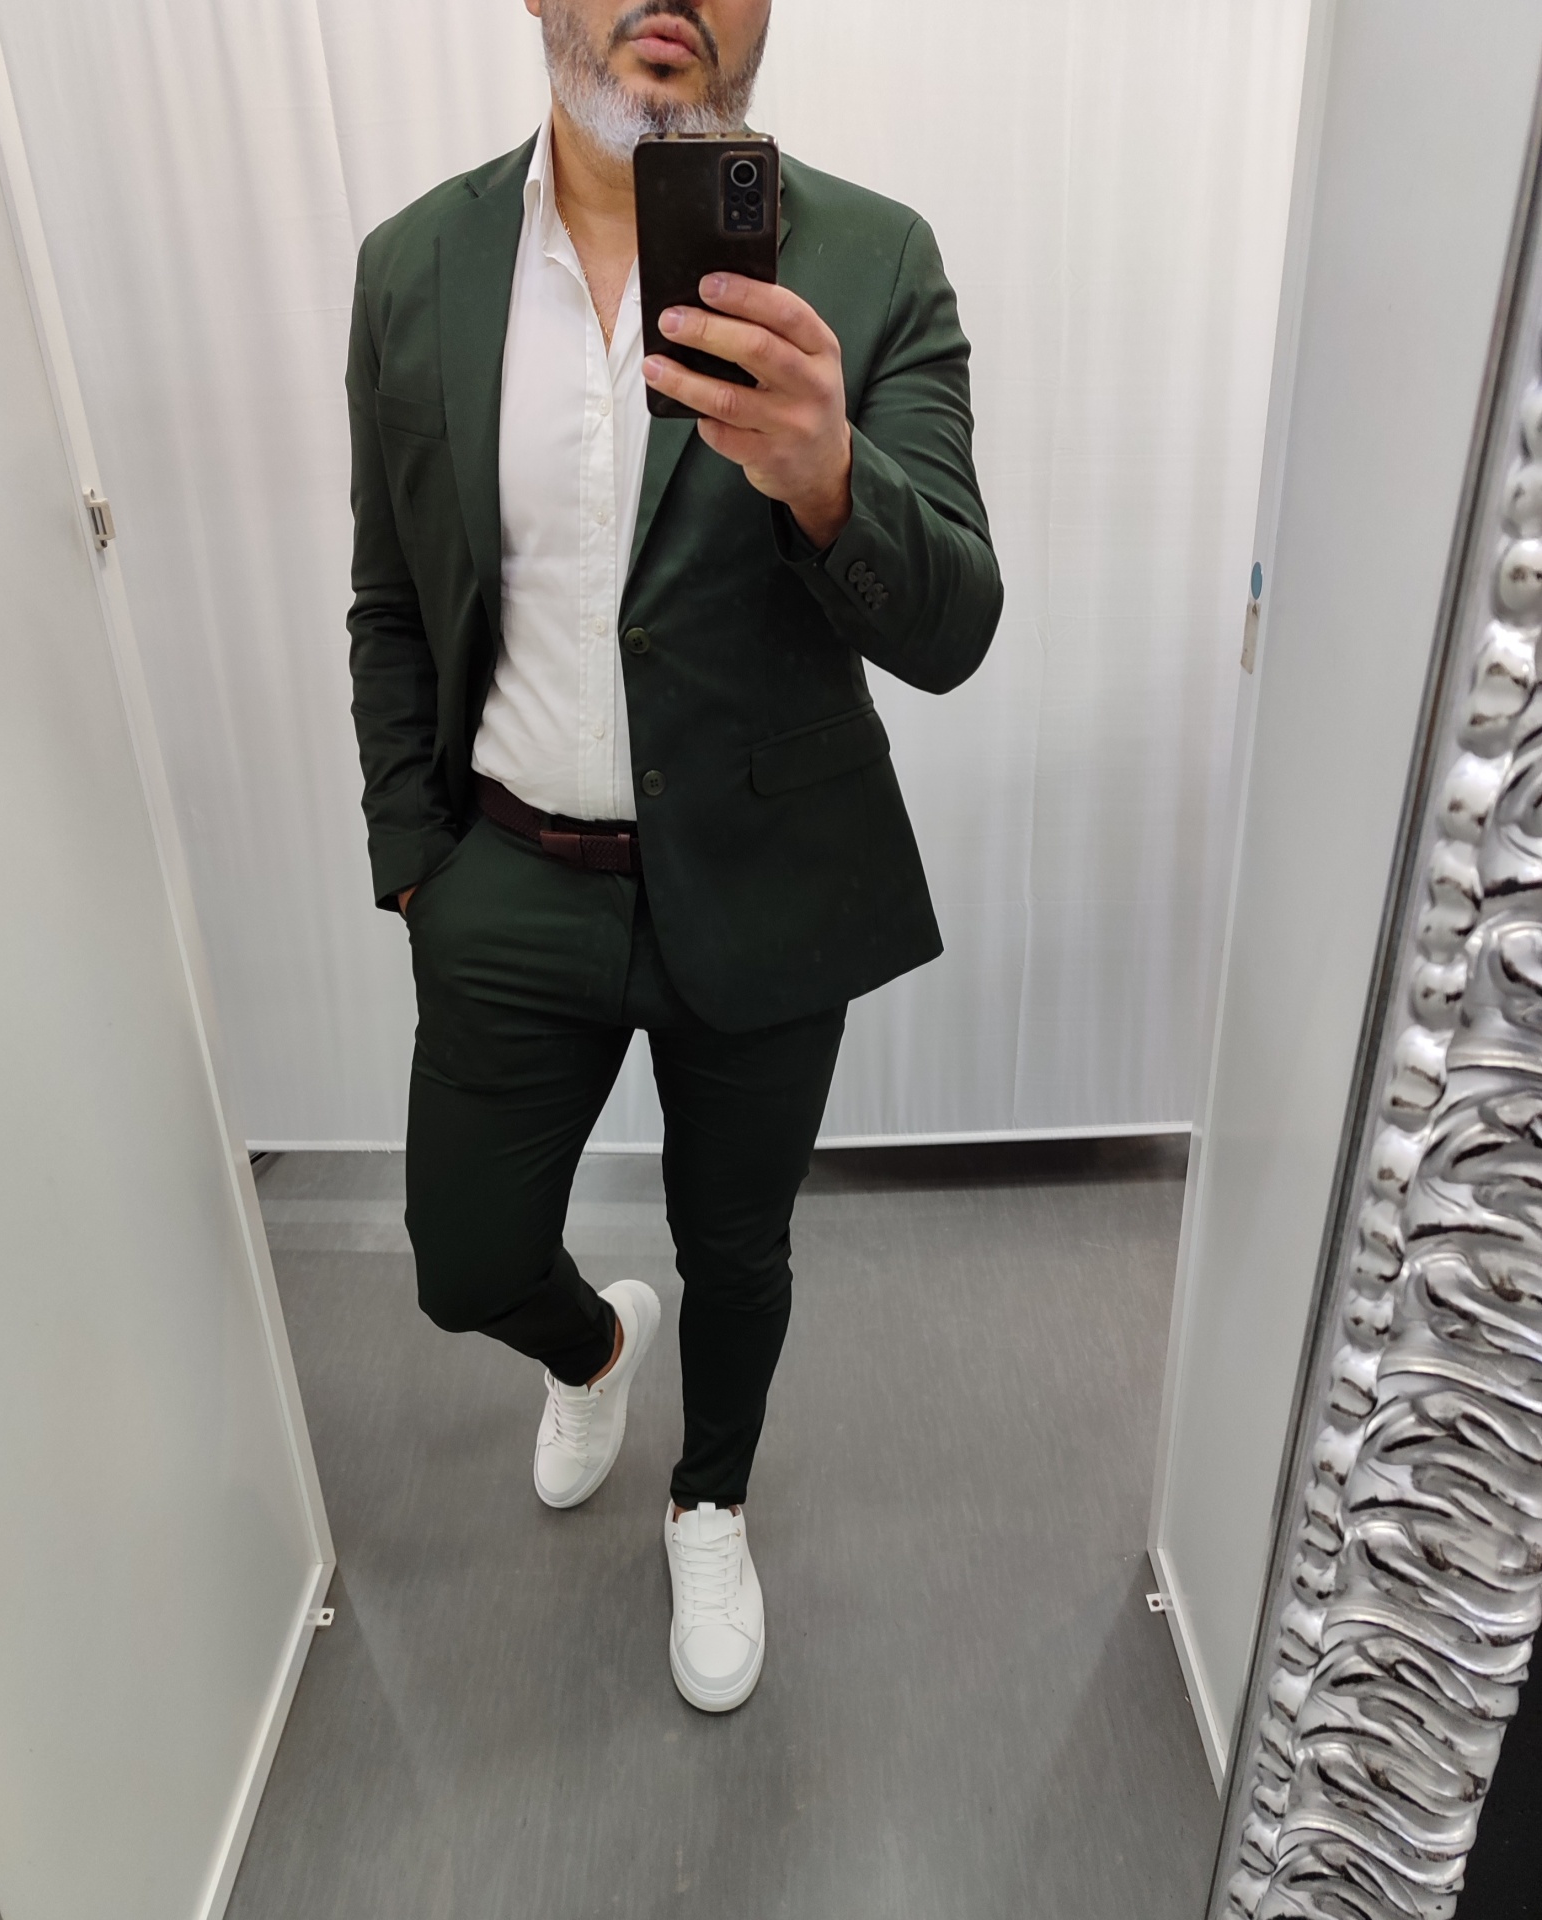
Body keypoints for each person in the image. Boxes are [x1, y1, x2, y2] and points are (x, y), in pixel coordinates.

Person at [345, 0, 1002, 1712]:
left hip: (770, 873)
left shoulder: (872, 258)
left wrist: (831, 479)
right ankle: (592, 1350)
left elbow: (954, 627)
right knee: (464, 1261)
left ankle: (710, 1499)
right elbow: (390, 596)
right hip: (506, 876)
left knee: (741, 1249)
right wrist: (415, 859)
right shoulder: (413, 266)